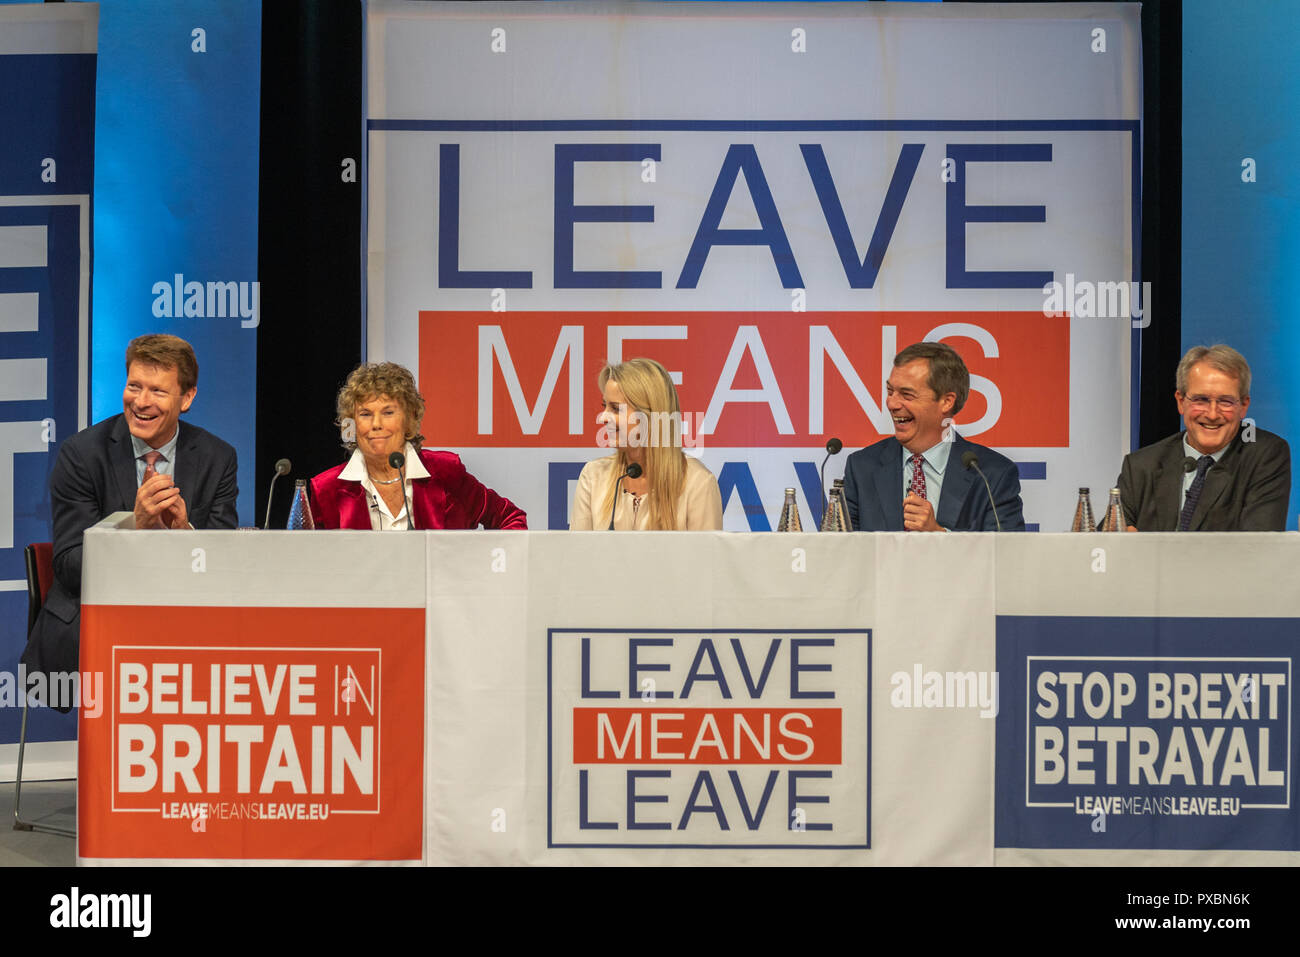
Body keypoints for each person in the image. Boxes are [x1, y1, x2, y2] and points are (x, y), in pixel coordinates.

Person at [22, 334, 238, 679]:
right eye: (134, 386)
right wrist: (133, 526)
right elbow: (69, 567)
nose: (141, 402)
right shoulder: (82, 454)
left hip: (184, 621)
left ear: (187, 397)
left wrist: (185, 533)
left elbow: (224, 564)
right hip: (99, 617)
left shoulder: (217, 458)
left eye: (158, 391)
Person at [310, 361, 526, 530]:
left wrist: (481, 574)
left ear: (409, 420)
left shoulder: (445, 473)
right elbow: (310, 565)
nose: (376, 425)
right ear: (352, 424)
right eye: (365, 414)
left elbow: (510, 518)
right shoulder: (326, 490)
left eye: (388, 413)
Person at [842, 341, 1026, 532]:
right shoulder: (862, 468)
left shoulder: (992, 475)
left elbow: (1005, 555)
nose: (891, 403)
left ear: (946, 402)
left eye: (907, 395)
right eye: (890, 391)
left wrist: (938, 535)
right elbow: (842, 551)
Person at [1117, 344, 1290, 531]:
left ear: (1244, 406)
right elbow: (1108, 541)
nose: (1213, 414)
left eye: (1225, 401)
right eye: (1201, 400)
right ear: (1181, 402)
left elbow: (1256, 546)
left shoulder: (1265, 456)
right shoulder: (1140, 466)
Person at [570, 358, 722, 530]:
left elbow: (706, 556)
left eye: (615, 408)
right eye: (605, 406)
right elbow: (578, 554)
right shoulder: (593, 477)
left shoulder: (698, 483)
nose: (603, 417)